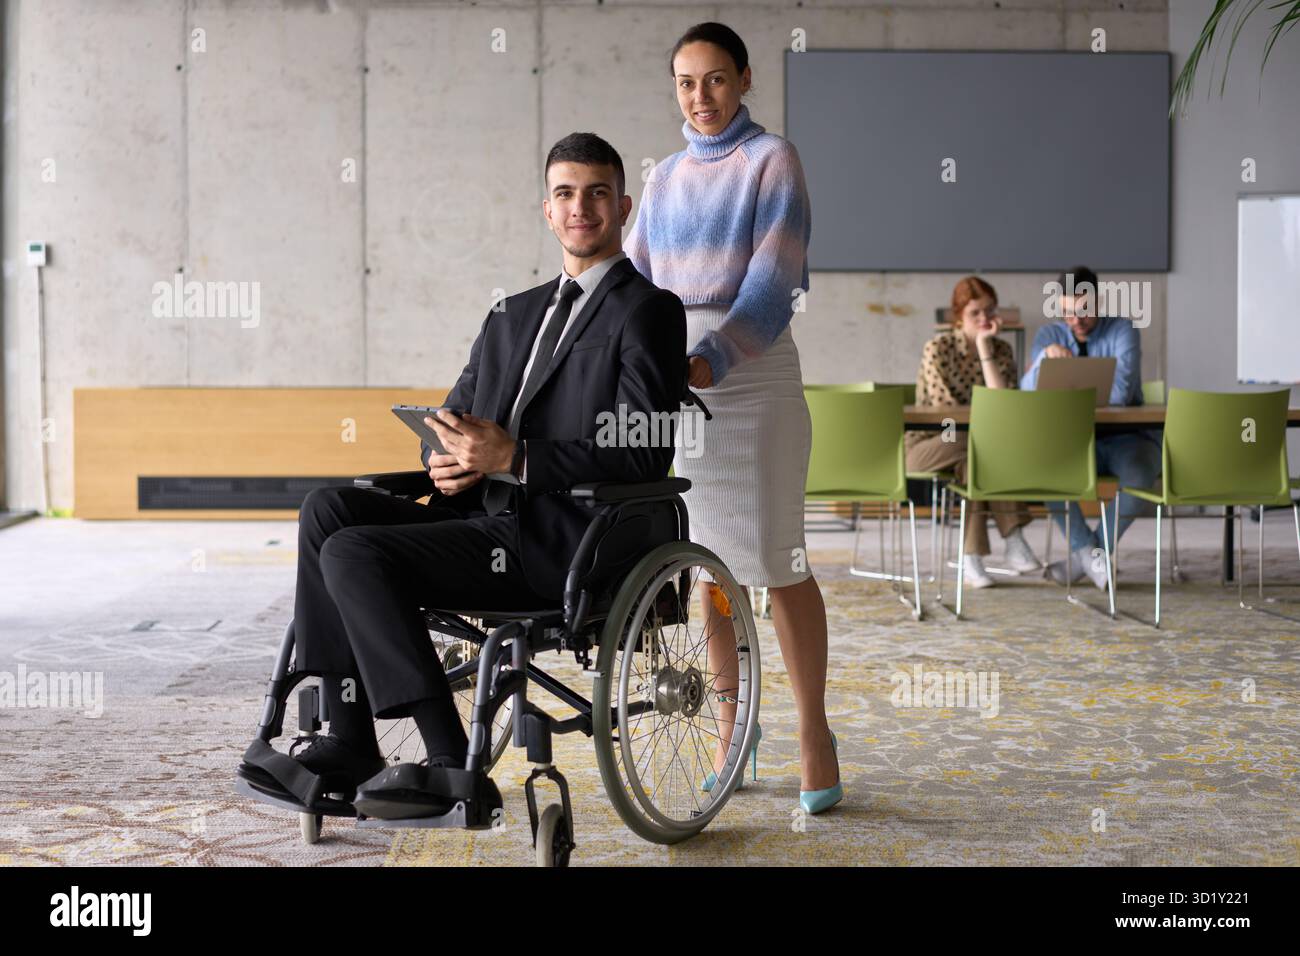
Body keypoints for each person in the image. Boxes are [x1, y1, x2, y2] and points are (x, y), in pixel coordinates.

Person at [276, 133, 686, 813]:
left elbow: (643, 449)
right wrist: (443, 458)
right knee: (327, 508)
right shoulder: (511, 313)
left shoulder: (648, 311)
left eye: (596, 193)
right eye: (564, 193)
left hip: (562, 538)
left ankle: (446, 756)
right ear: (547, 210)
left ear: (623, 208)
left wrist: (517, 460)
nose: (579, 206)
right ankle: (348, 737)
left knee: (353, 550)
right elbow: (458, 415)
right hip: (474, 518)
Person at [626, 22, 840, 813]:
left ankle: (814, 734)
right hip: (680, 386)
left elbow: (775, 284)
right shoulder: (664, 179)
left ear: (744, 78)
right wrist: (640, 363)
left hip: (753, 380)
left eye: (715, 79)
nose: (701, 96)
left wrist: (711, 359)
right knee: (708, 573)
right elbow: (637, 284)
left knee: (780, 562)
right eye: (686, 82)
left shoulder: (771, 159)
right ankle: (731, 731)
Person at [1022, 265, 1160, 589]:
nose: (1076, 320)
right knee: (1041, 469)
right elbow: (1027, 394)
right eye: (1068, 312)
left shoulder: (1124, 330)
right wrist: (1044, 360)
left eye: (1084, 310)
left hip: (1126, 437)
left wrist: (1066, 377)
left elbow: (1120, 395)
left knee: (1141, 475)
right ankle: (1089, 552)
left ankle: (1084, 558)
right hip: (1071, 438)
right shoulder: (1048, 336)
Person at [905, 276, 1043, 589]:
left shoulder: (1001, 351)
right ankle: (1013, 535)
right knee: (979, 444)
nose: (984, 319)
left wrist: (983, 348)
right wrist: (989, 422)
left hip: (974, 448)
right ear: (959, 315)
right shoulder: (937, 349)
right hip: (932, 442)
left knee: (976, 464)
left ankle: (972, 558)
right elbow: (947, 414)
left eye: (989, 311)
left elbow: (1003, 403)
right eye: (975, 313)